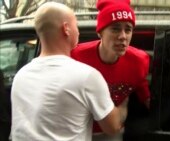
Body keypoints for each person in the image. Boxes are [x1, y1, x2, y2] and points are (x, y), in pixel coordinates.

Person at [11, 2, 126, 141]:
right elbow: (112, 127)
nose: (78, 31)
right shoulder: (87, 77)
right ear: (66, 28)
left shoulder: (20, 75)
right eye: (76, 25)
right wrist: (123, 105)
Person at [71, 0, 151, 140]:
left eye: (128, 29)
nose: (123, 36)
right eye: (115, 29)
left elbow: (146, 96)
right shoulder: (76, 56)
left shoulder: (140, 61)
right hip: (77, 131)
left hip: (113, 133)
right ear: (100, 32)